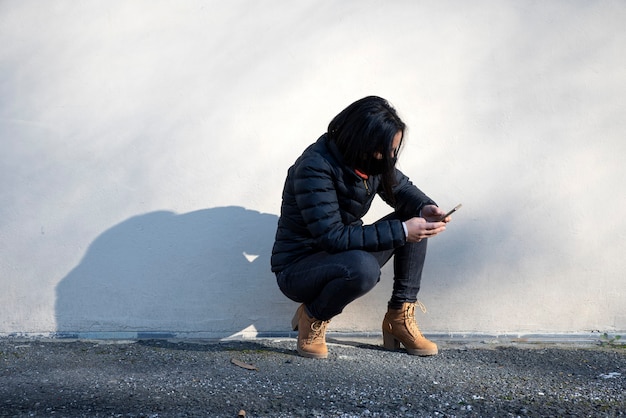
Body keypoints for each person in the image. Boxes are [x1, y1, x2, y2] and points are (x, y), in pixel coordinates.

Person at [271, 96, 451, 359]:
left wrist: (425, 207)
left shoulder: (371, 161)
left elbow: (402, 189)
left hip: (344, 254)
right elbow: (332, 236)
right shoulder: (314, 167)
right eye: (385, 150)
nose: (389, 158)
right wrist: (402, 231)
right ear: (361, 141)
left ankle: (399, 316)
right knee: (363, 269)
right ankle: (312, 316)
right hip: (299, 270)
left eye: (394, 150)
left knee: (416, 216)